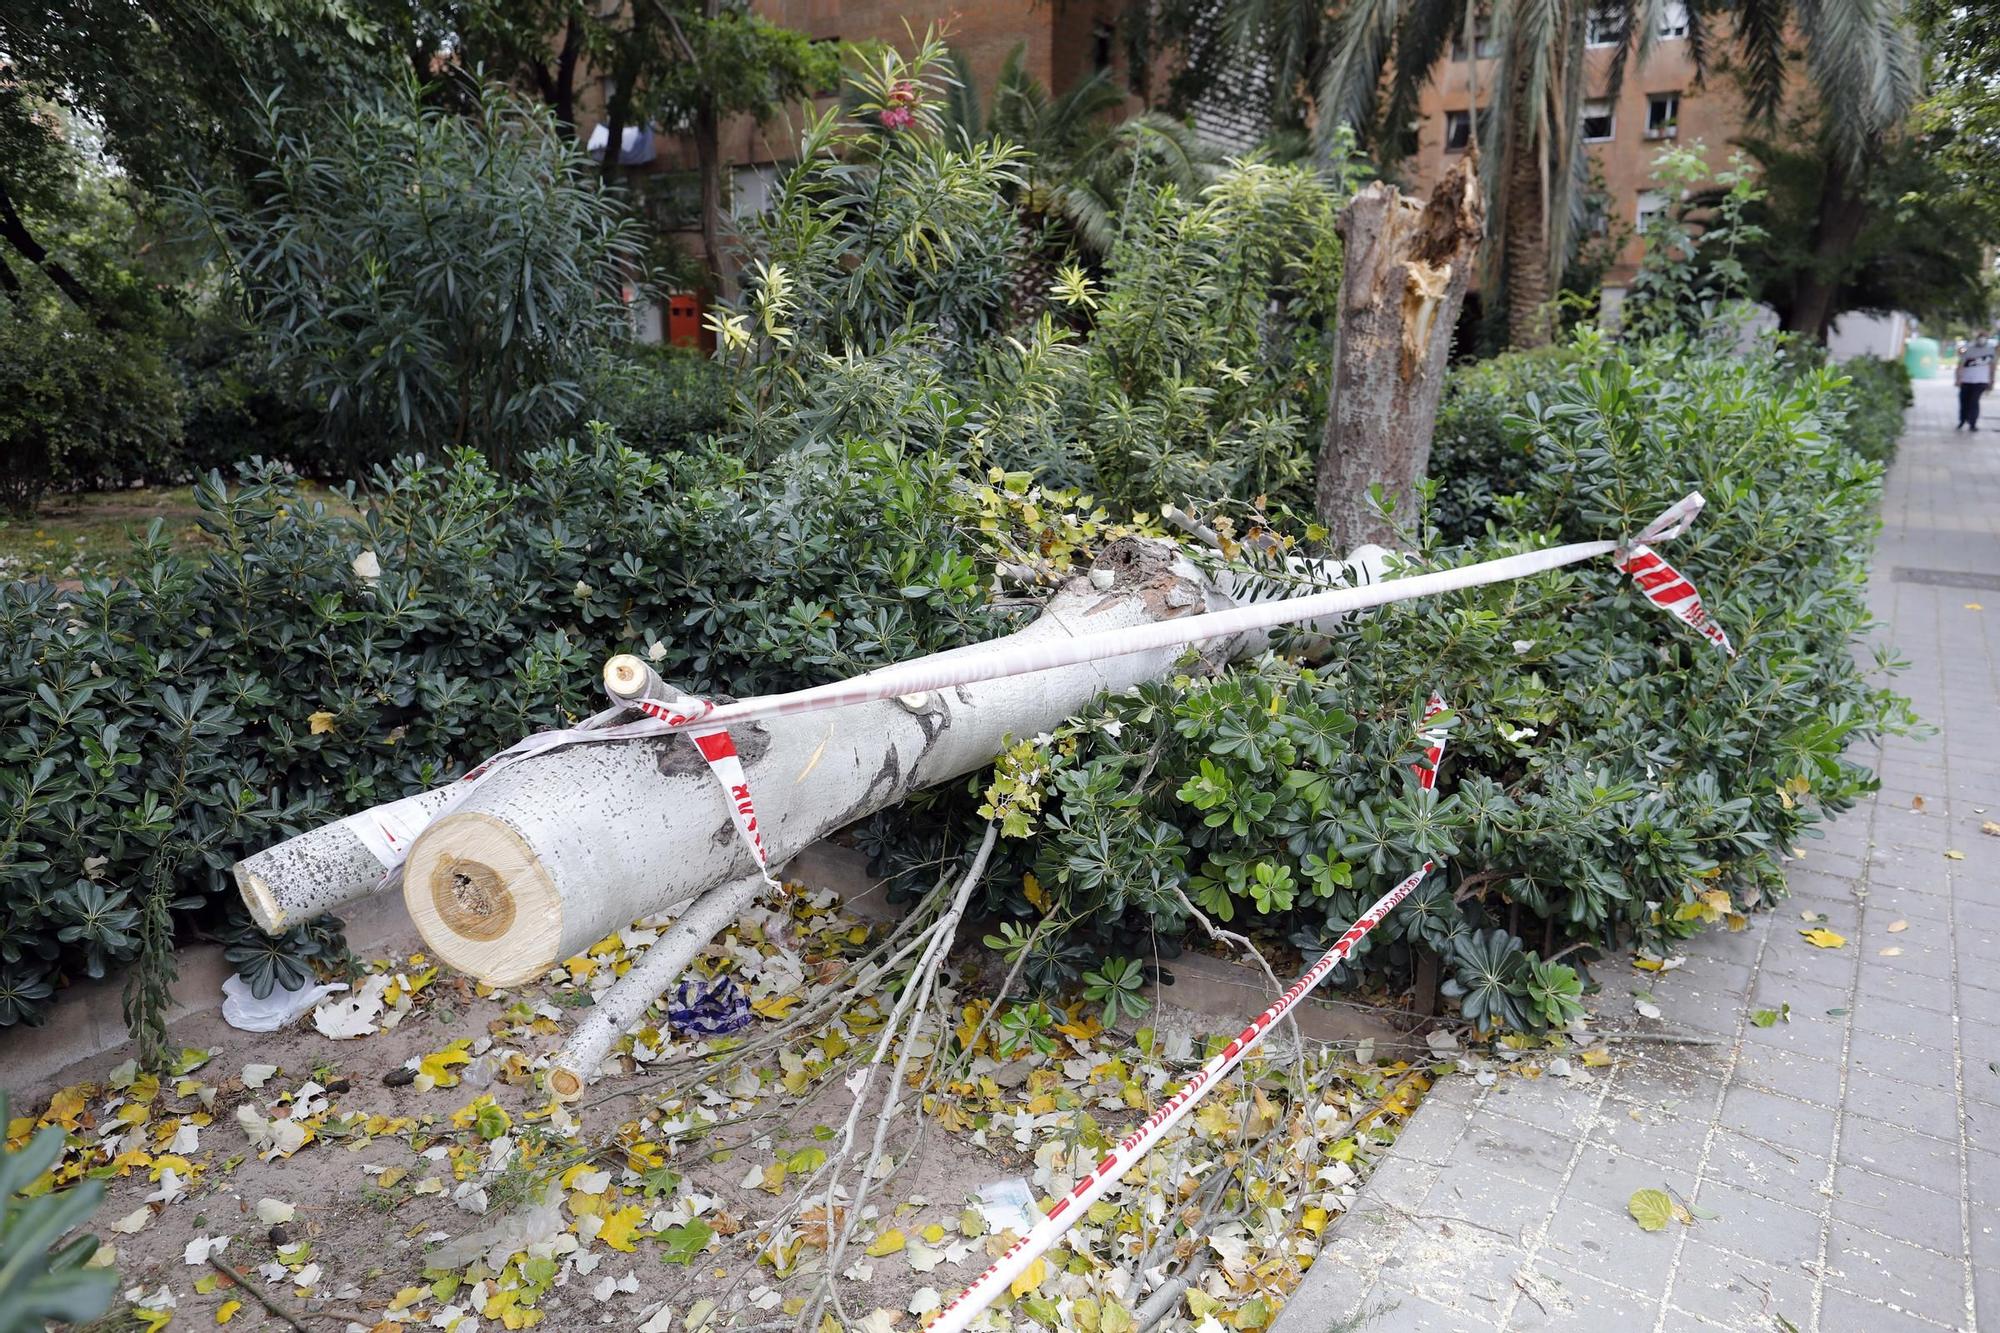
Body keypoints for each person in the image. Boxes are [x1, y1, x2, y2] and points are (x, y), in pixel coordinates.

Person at [1956, 333, 1994, 431]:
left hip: (1981, 381)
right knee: (1964, 401)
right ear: (1976, 338)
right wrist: (1958, 378)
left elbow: (1992, 366)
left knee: (1974, 401)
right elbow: (1960, 356)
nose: (1982, 340)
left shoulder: (1991, 349)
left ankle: (1973, 423)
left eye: (1984, 338)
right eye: (1980, 337)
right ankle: (1962, 420)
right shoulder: (1968, 347)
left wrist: (1991, 380)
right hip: (1966, 380)